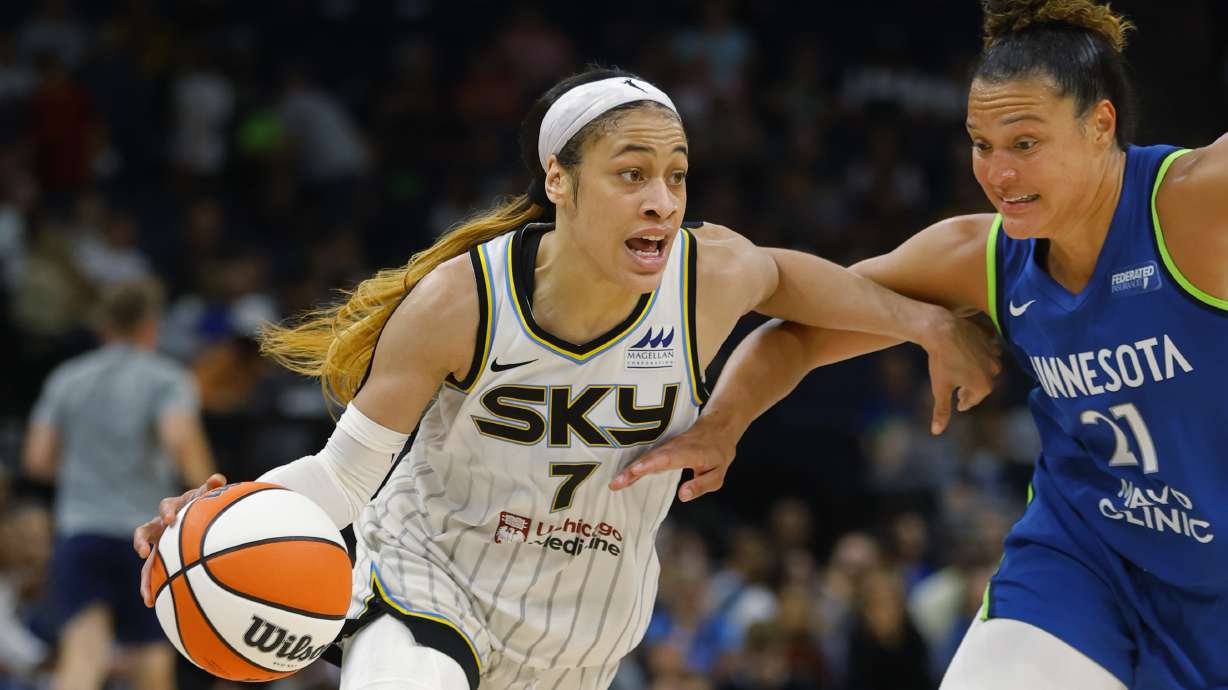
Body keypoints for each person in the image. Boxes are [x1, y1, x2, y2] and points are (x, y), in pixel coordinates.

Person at [132, 68, 997, 690]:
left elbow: (790, 283)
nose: (662, 198)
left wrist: (921, 324)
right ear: (559, 181)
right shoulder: (459, 301)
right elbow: (345, 474)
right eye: (631, 174)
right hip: (433, 592)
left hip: (586, 634)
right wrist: (235, 516)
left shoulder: (707, 275)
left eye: (675, 175)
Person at [612, 2, 1228, 689]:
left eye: (1024, 143)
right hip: (1085, 565)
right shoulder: (979, 257)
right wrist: (724, 425)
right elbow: (801, 331)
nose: (997, 173)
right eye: (980, 143)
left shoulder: (1193, 205)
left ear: (1101, 125)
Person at [23, 277, 216, 690]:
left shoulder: (68, 378)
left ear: (102, 325)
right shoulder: (166, 378)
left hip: (81, 533)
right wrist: (213, 495)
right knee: (152, 662)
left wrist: (86, 474)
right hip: (144, 540)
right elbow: (179, 441)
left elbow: (37, 459)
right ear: (151, 323)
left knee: (82, 657)